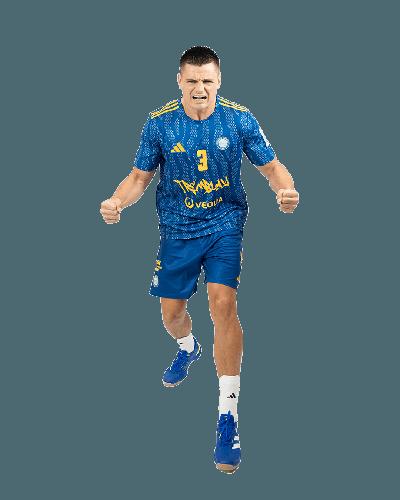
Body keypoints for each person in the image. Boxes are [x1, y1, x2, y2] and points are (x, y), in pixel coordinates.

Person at [100, 46, 299, 474]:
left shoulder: (240, 119)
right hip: (177, 231)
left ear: (218, 81)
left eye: (207, 80)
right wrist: (117, 201)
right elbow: (138, 178)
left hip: (225, 225)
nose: (200, 88)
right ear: (180, 81)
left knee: (223, 304)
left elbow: (272, 167)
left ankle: (228, 416)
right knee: (172, 315)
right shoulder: (159, 123)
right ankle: (188, 348)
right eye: (192, 80)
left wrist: (285, 190)